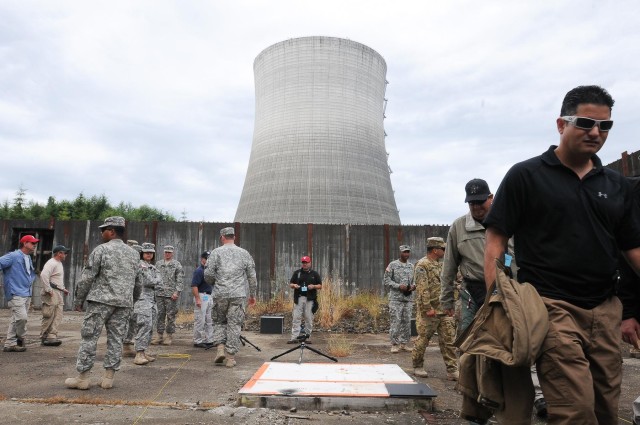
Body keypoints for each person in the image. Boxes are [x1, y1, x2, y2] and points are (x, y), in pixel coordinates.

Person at [483, 85, 640, 424]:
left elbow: (632, 249)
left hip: (605, 309)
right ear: (561, 124)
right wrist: (500, 303)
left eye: (605, 126)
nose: (596, 133)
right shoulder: (526, 176)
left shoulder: (617, 186)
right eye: (585, 123)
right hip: (551, 307)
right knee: (576, 411)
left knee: (605, 410)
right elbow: (496, 242)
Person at [65, 216, 141, 390]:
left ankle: (83, 378)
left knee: (89, 337)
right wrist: (132, 300)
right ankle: (108, 378)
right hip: (123, 304)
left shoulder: (101, 250)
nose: (101, 233)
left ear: (112, 231)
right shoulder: (134, 254)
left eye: (104, 229)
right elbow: (139, 283)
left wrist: (78, 300)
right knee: (116, 339)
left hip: (101, 301)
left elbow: (87, 277)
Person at [204, 227, 257, 368]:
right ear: (234, 237)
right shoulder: (244, 253)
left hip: (220, 294)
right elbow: (252, 277)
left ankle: (220, 348)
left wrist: (215, 283)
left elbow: (208, 274)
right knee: (234, 325)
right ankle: (230, 358)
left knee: (219, 321)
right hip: (238, 295)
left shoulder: (215, 253)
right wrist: (252, 295)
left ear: (222, 237)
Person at [411, 237, 458, 381]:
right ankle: (417, 366)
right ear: (435, 250)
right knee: (424, 339)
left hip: (444, 309)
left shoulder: (441, 265)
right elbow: (421, 289)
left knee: (449, 340)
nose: (444, 251)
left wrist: (451, 304)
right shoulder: (422, 265)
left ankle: (452, 369)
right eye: (443, 249)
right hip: (430, 311)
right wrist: (427, 308)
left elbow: (449, 284)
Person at [1, 235, 39, 352]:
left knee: (15, 319)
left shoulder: (27, 257)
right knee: (22, 318)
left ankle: (10, 343)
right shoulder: (13, 256)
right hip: (15, 292)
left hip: (26, 293)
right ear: (25, 243)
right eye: (32, 243)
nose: (34, 245)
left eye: (35, 243)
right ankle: (21, 337)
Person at [132, 242, 161, 365]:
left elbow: (160, 281)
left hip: (152, 301)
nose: (149, 254)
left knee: (150, 327)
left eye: (151, 253)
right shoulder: (140, 265)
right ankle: (138, 353)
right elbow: (148, 281)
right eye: (146, 252)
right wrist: (157, 280)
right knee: (144, 325)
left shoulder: (152, 267)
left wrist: (156, 280)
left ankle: (143, 351)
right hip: (142, 300)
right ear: (142, 253)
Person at [384, 245, 415, 353]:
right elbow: (386, 281)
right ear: (400, 253)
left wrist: (413, 286)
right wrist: (398, 286)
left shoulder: (411, 266)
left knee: (406, 322)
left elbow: (415, 280)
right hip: (395, 299)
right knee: (395, 321)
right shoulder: (393, 265)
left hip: (408, 298)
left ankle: (404, 344)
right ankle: (394, 344)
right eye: (404, 252)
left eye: (408, 252)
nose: (406, 254)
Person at [152, 245, 184, 346]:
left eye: (169, 252)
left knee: (171, 315)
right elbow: (154, 277)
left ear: (172, 253)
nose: (167, 254)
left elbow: (180, 279)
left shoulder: (176, 265)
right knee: (160, 314)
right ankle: (159, 335)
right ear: (163, 253)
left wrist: (177, 292)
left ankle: (169, 335)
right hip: (159, 293)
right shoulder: (158, 264)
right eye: (166, 252)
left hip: (171, 294)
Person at [39, 244, 71, 346]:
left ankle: (52, 336)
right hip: (51, 292)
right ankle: (45, 336)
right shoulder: (51, 262)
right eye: (64, 253)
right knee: (49, 314)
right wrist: (48, 289)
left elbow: (55, 279)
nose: (66, 255)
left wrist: (63, 289)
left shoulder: (58, 263)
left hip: (57, 291)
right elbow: (44, 275)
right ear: (59, 253)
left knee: (58, 314)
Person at [287, 256, 322, 344]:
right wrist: (294, 286)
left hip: (310, 299)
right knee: (296, 317)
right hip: (299, 298)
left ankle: (307, 337)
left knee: (309, 318)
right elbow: (291, 284)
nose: (305, 264)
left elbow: (320, 285)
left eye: (306, 262)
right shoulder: (297, 273)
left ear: (310, 263)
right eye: (303, 262)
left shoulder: (314, 274)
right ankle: (294, 337)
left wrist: (313, 286)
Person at [123, 243, 143, 357]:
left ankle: (128, 342)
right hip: (126, 297)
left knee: (134, 321)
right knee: (125, 320)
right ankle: (124, 344)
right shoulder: (125, 264)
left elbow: (139, 284)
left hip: (136, 298)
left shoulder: (140, 266)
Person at [191, 251, 213, 348]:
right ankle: (198, 340)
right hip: (201, 295)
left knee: (209, 319)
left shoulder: (210, 271)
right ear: (202, 259)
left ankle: (209, 339)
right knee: (200, 319)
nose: (207, 260)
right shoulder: (199, 271)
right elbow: (194, 285)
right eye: (206, 258)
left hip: (208, 296)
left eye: (209, 258)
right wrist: (197, 299)